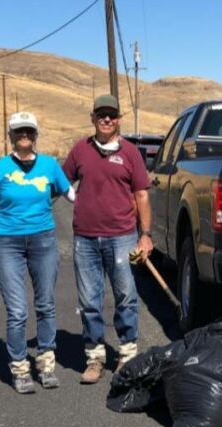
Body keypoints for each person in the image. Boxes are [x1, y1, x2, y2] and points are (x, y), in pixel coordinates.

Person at [0, 111, 75, 394]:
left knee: (45, 305)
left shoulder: (50, 165)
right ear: (11, 136)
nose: (24, 137)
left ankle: (46, 364)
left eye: (29, 132)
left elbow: (71, 194)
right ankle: (19, 367)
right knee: (17, 310)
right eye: (19, 132)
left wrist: (101, 204)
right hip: (7, 244)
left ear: (36, 135)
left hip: (43, 240)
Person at [62, 94, 153, 384]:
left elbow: (141, 195)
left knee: (126, 297)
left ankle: (127, 355)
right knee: (90, 301)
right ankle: (95, 357)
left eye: (111, 115)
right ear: (92, 118)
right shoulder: (80, 150)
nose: (106, 119)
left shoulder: (130, 153)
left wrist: (145, 236)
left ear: (118, 119)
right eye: (101, 114)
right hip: (85, 239)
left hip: (122, 237)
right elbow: (61, 183)